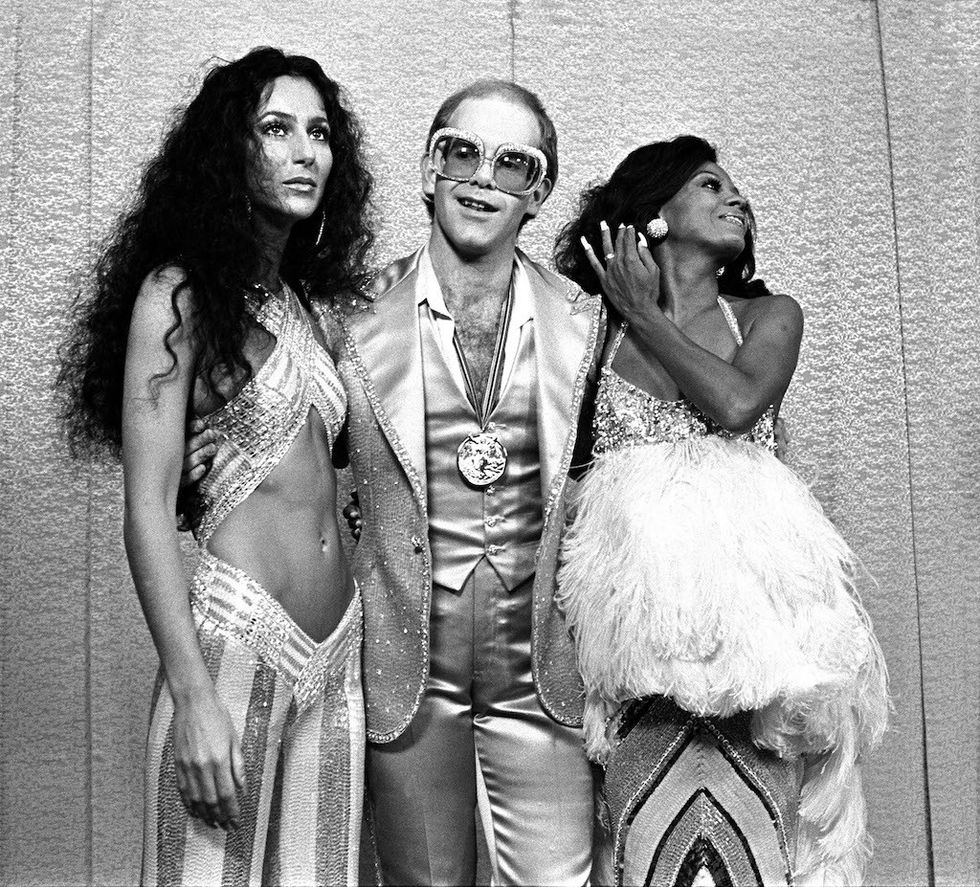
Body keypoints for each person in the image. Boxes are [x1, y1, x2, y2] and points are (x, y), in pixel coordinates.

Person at [57, 47, 373, 886]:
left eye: (318, 132)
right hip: (237, 642)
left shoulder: (306, 305)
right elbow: (146, 508)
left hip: (338, 657)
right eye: (277, 129)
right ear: (229, 150)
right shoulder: (179, 294)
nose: (305, 151)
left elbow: (317, 476)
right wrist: (194, 695)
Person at [553, 136, 889, 887]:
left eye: (736, 188)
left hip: (764, 662)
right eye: (711, 184)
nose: (736, 197)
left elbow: (736, 406)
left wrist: (647, 315)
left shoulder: (771, 315)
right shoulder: (587, 339)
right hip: (635, 664)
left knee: (757, 855)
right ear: (656, 216)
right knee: (643, 854)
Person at [334, 81, 600, 885]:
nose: (483, 179)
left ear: (539, 193)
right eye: (462, 152)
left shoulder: (586, 321)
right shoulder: (348, 316)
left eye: (513, 164)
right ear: (427, 168)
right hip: (406, 669)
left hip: (542, 674)